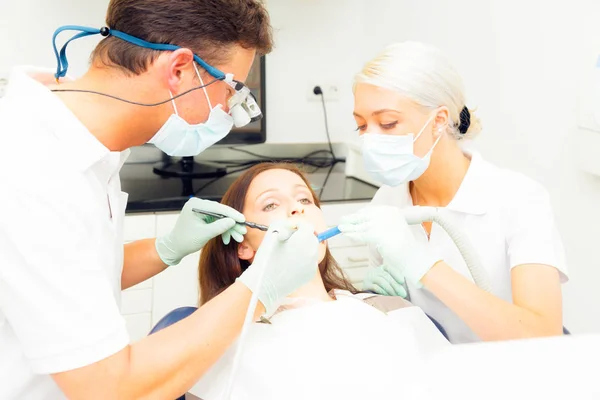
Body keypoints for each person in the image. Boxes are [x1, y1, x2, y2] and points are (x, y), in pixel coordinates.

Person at [0, 1, 319, 399]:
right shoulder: (31, 167)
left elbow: (70, 274)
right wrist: (259, 290)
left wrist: (166, 248)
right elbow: (111, 390)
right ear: (179, 70)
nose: (228, 111)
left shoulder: (88, 142)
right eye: (231, 91)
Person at [340, 41, 568, 344]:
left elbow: (542, 335)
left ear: (439, 120)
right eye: (361, 126)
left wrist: (425, 266)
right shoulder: (387, 200)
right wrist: (376, 298)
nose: (371, 140)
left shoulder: (519, 198)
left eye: (387, 123)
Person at [190, 163, 449, 400]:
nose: (298, 208)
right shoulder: (226, 340)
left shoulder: (390, 310)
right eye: (270, 204)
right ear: (242, 246)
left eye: (305, 198)